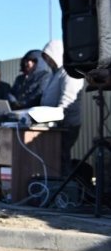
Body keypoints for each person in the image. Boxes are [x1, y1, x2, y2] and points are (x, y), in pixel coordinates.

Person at [40, 39, 84, 174]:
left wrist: (57, 119)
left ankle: (64, 189)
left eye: (49, 58)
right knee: (54, 158)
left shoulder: (70, 72)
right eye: (46, 59)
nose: (48, 62)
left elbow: (68, 100)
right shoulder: (55, 73)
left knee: (61, 158)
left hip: (66, 125)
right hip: (54, 124)